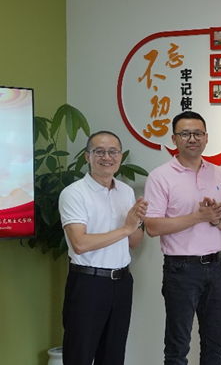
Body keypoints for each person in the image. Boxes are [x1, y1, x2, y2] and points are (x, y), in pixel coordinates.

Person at [144, 111, 221, 365]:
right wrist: (199, 217)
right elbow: (152, 226)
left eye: (198, 133)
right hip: (181, 269)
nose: (192, 139)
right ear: (174, 139)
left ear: (206, 137)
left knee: (215, 346)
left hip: (216, 267)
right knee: (177, 348)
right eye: (185, 134)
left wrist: (215, 219)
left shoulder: (220, 174)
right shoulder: (160, 176)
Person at [59, 131, 148, 365]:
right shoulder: (74, 193)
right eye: (99, 151)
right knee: (79, 355)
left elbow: (134, 241)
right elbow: (80, 244)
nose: (107, 157)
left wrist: (137, 221)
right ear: (87, 156)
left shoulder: (126, 192)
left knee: (113, 356)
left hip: (122, 282)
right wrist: (126, 228)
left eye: (113, 152)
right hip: (88, 283)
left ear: (120, 156)